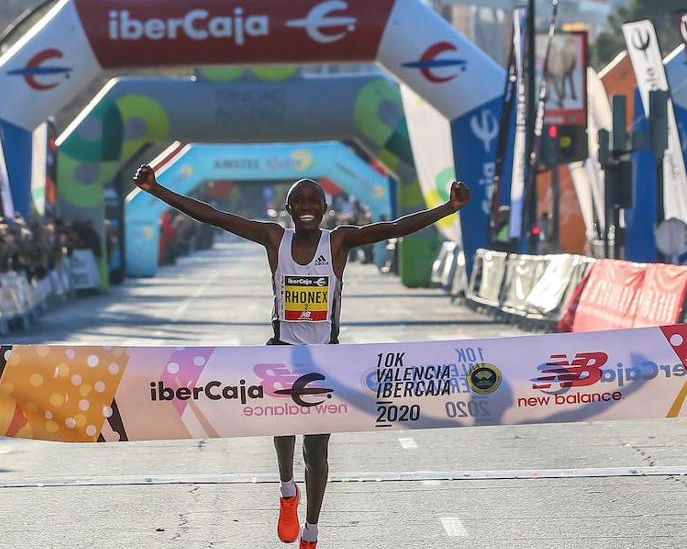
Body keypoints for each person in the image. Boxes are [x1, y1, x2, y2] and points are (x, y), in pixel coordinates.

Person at [132, 164, 470, 549]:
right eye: (299, 202)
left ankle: (311, 533)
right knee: (282, 431)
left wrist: (448, 208)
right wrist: (155, 190)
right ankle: (286, 489)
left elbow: (393, 229)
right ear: (288, 208)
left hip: (325, 359)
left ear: (324, 209)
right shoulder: (274, 239)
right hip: (282, 354)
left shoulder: (339, 242)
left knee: (317, 450)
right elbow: (215, 216)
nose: (307, 207)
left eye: (314, 201)